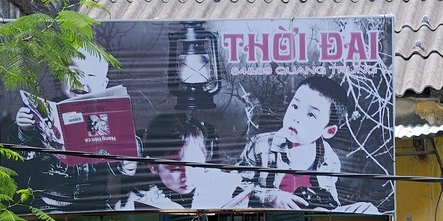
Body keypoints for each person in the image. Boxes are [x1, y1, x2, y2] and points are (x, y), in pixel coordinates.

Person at [6, 45, 137, 213]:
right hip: (50, 200)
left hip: (95, 202)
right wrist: (24, 130)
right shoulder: (46, 110)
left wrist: (128, 162)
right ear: (59, 79)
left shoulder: (108, 115)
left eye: (91, 75)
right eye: (74, 73)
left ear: (104, 84)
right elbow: (22, 156)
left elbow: (124, 151)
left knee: (109, 218)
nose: (81, 81)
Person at [235, 75, 349, 210]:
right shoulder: (260, 145)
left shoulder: (330, 160)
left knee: (366, 209)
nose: (296, 117)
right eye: (295, 106)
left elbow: (331, 199)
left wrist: (325, 210)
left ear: (329, 131)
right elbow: (238, 188)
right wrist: (271, 197)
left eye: (311, 115)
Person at [115, 113, 248, 212]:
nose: (187, 177)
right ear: (153, 167)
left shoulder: (224, 185)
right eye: (175, 169)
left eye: (195, 165)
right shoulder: (138, 201)